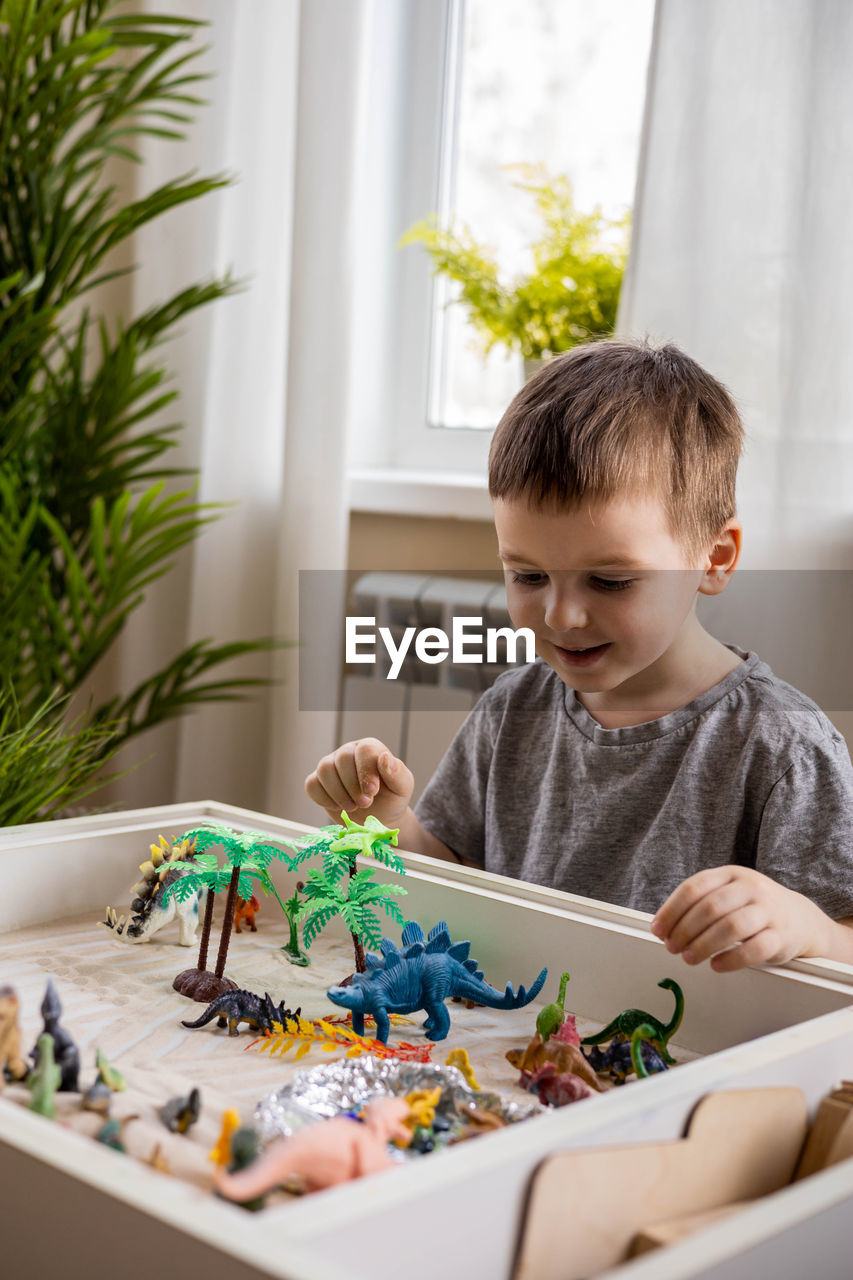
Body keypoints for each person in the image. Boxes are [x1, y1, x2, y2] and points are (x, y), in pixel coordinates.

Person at [306, 339, 853, 972]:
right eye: (528, 576)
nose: (561, 615)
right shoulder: (512, 709)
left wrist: (806, 928)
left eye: (611, 581)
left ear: (715, 557)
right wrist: (382, 823)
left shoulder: (783, 747)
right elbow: (452, 880)